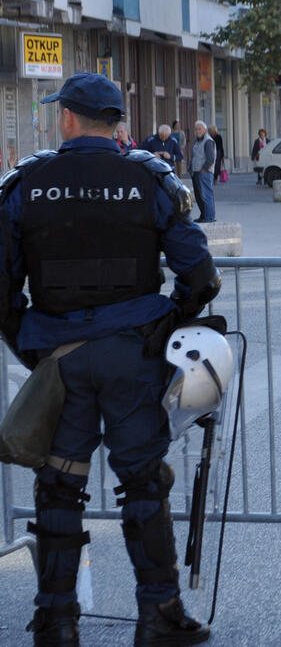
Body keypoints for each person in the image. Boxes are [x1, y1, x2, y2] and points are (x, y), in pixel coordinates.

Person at [0, 72, 221, 646]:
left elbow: (0, 289)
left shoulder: (28, 182)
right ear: (117, 122)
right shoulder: (151, 179)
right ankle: (159, 615)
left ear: (68, 118)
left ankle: (57, 621)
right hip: (133, 354)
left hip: (60, 357)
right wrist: (165, 329)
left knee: (60, 486)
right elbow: (199, 275)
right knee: (144, 482)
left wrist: (30, 343)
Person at [189, 120, 216, 222]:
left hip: (205, 173)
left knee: (206, 196)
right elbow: (194, 156)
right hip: (196, 173)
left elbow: (210, 158)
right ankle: (204, 216)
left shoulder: (208, 141)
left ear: (205, 130)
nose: (197, 131)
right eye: (196, 129)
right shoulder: (197, 141)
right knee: (199, 197)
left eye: (199, 129)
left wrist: (204, 170)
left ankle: (209, 217)